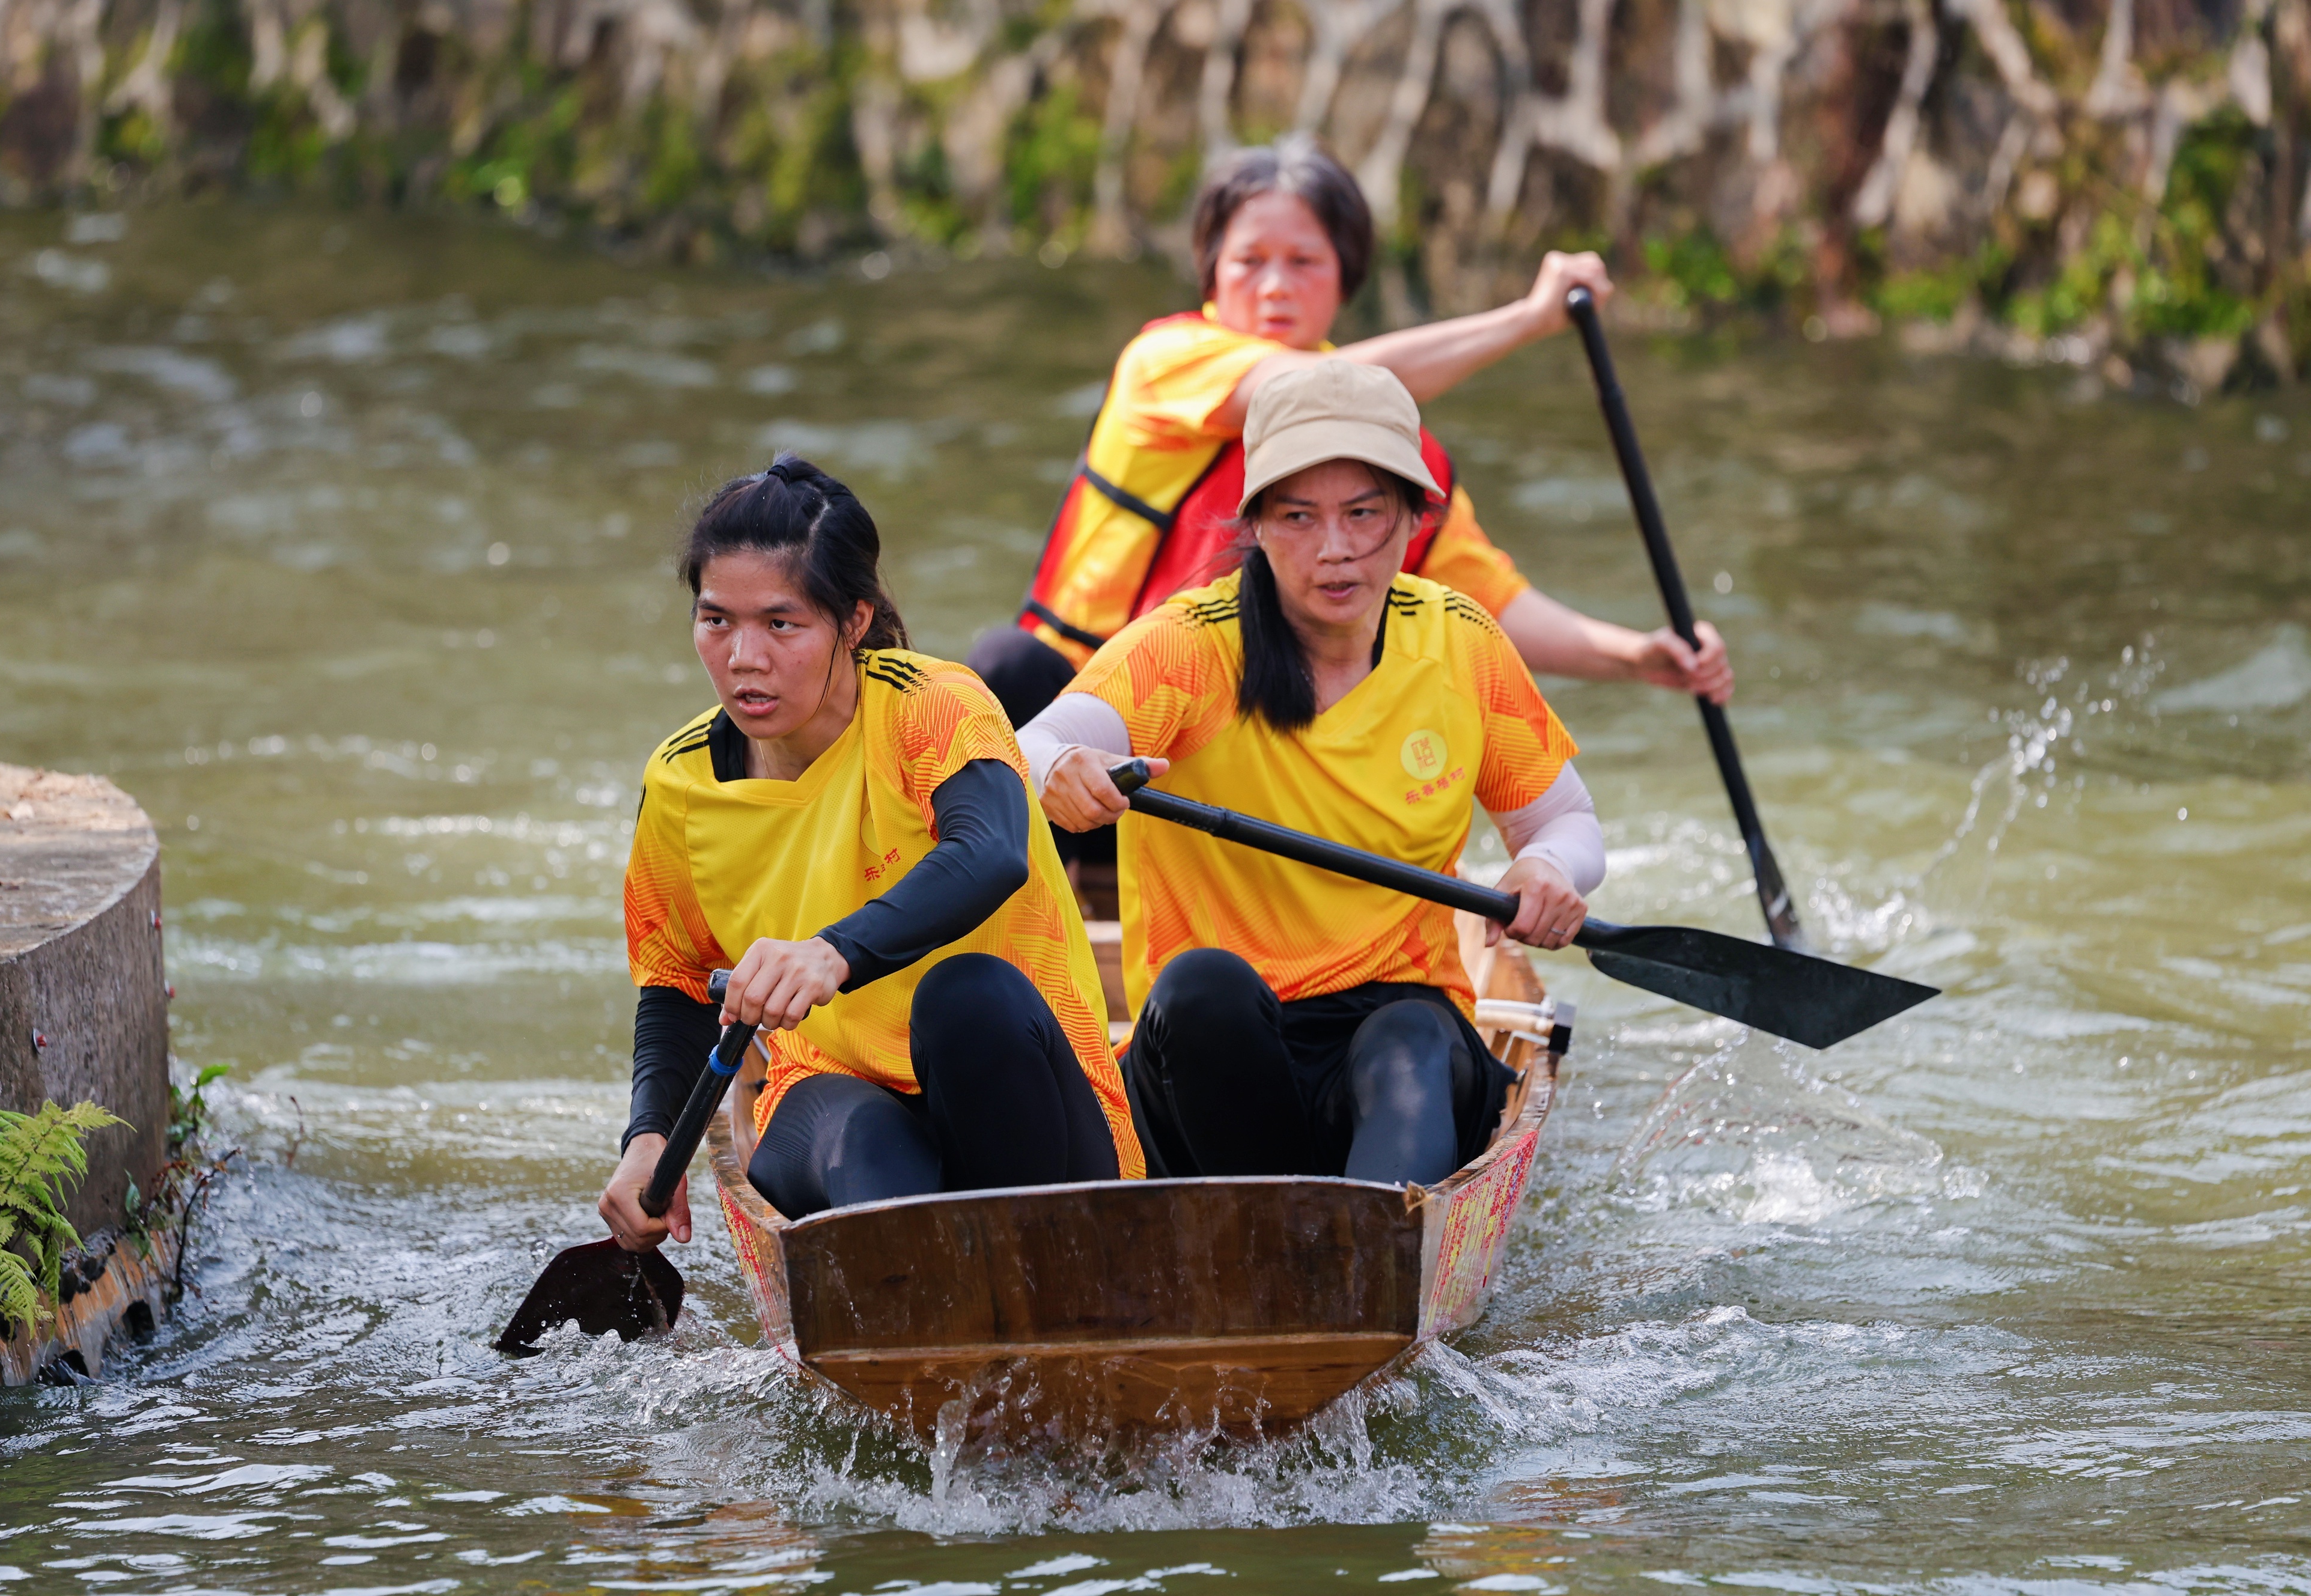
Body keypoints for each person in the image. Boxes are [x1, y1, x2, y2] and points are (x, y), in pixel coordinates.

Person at [1015, 362, 1604, 1187]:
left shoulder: (1461, 643)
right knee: (1200, 990)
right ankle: (1293, 1235)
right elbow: (1029, 744)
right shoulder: (1191, 644)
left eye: (1363, 513)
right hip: (1213, 1070)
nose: (1335, 550)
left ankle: (1370, 1252)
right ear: (1256, 523)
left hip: (1399, 1042)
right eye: (1299, 516)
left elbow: (1566, 823)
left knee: (1411, 1037)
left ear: (1411, 519)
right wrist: (1060, 771)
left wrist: (1546, 868)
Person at [970, 135, 1732, 737]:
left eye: (1304, 262)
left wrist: (1638, 656)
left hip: (1223, 745)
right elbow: (1306, 392)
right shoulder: (1165, 362)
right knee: (1003, 664)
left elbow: (1491, 600)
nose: (1274, 286)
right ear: (1211, 273)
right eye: (1250, 262)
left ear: (1344, 277)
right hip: (1085, 719)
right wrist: (1528, 321)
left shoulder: (1395, 441)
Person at [599, 454, 1142, 1243]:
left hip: (1030, 1105)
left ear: (853, 622)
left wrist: (833, 953)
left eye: (782, 624)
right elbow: (678, 981)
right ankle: (927, 1287)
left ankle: (1021, 1269)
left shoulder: (933, 707)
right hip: (833, 1103)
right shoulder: (680, 782)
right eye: (718, 620)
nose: (744, 659)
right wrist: (648, 1138)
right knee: (865, 1149)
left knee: (966, 996)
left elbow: (993, 850)